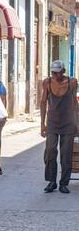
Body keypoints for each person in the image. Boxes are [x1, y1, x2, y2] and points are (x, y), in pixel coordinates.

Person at [40, 60, 78, 194]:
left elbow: (74, 102)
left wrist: (77, 122)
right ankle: (52, 181)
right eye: (53, 73)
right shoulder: (47, 82)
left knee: (66, 153)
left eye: (57, 72)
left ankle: (63, 183)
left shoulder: (72, 82)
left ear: (63, 71)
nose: (55, 75)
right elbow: (43, 102)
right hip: (52, 122)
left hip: (68, 122)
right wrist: (42, 124)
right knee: (50, 151)